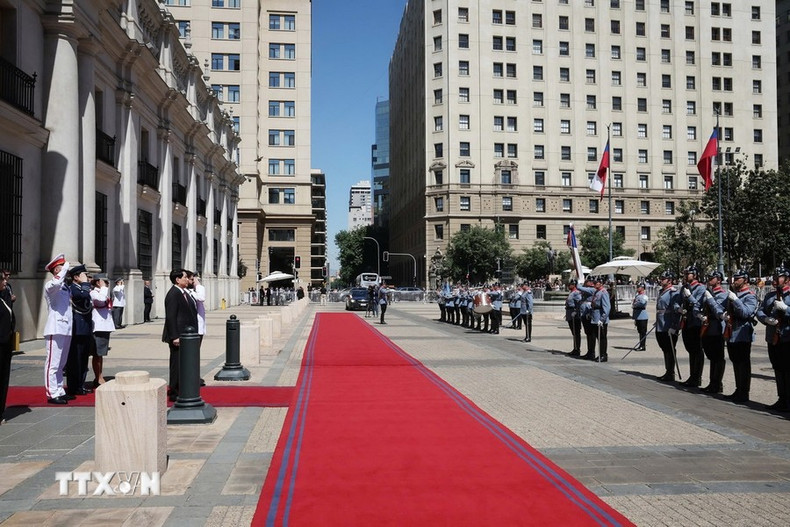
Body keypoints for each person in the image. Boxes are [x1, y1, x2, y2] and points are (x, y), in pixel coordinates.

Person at [756, 266, 790, 411]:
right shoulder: (770, 295)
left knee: (788, 370)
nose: (775, 280)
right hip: (773, 337)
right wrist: (766, 319)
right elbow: (760, 311)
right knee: (778, 369)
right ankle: (781, 398)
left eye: (779, 277)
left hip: (787, 337)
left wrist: (786, 309)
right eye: (774, 277)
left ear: (787, 278)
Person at [162, 269, 198, 401]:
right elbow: (170, 317)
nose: (187, 279)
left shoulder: (183, 292)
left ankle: (182, 387)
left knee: (183, 362)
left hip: (186, 335)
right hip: (178, 336)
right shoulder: (173, 294)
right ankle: (174, 390)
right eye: (184, 277)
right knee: (176, 363)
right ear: (177, 279)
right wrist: (174, 336)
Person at [724, 269, 758, 403]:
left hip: (742, 333)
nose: (735, 281)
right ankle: (738, 390)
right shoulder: (734, 293)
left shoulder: (749, 295)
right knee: (735, 362)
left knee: (743, 364)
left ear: (745, 280)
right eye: (735, 278)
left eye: (738, 279)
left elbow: (746, 313)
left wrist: (736, 300)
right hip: (732, 332)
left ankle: (744, 393)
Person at [43, 253, 73, 404]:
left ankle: (59, 390)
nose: (66, 270)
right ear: (56, 270)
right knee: (52, 363)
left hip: (66, 328)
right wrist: (65, 268)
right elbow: (55, 283)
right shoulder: (50, 286)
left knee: (61, 363)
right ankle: (52, 393)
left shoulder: (65, 287)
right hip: (55, 328)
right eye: (62, 267)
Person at [65, 265, 93, 396]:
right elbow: (83, 297)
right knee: (75, 360)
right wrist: (86, 284)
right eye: (83, 275)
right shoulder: (73, 289)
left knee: (83, 359)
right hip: (77, 329)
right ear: (76, 277)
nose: (86, 277)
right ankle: (73, 386)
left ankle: (80, 385)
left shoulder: (83, 289)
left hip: (85, 328)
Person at [700, 270, 728, 394]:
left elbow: (719, 310)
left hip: (717, 327)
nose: (710, 279)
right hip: (707, 326)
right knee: (711, 356)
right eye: (709, 277)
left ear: (719, 280)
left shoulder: (722, 294)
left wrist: (710, 299)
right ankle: (712, 382)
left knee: (718, 357)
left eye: (712, 277)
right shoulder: (708, 292)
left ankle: (717, 384)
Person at [679, 266, 706, 387]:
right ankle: (692, 376)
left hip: (696, 322)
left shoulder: (700, 288)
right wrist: (679, 308)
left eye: (688, 274)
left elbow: (698, 304)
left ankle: (697, 377)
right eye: (685, 274)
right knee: (690, 350)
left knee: (697, 350)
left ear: (694, 275)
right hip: (686, 320)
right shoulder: (684, 287)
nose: (686, 276)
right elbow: (678, 301)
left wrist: (690, 296)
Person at [655, 271, 681, 382]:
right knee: (664, 348)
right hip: (660, 324)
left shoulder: (673, 293)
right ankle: (667, 370)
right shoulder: (662, 291)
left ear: (669, 280)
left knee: (669, 349)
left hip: (668, 324)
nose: (661, 280)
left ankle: (670, 372)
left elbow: (676, 310)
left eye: (663, 279)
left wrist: (674, 325)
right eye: (661, 278)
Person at [90, 274, 114, 387]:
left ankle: (99, 375)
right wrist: (104, 288)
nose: (106, 284)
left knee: (101, 354)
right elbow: (101, 300)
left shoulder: (103, 292)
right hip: (98, 326)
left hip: (105, 326)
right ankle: (98, 377)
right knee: (97, 353)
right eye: (103, 281)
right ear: (98, 282)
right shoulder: (94, 292)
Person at [0, 273, 16, 424]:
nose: (6, 282)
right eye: (2, 279)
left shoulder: (4, 294)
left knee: (4, 377)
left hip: (6, 343)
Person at [588, 276, 611, 362]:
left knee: (602, 337)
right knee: (595, 336)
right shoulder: (597, 292)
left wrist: (602, 319)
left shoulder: (604, 293)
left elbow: (607, 307)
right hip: (595, 317)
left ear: (600, 283)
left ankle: (603, 355)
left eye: (596, 283)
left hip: (600, 318)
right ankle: (599, 354)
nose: (594, 284)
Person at [578, 276, 597, 360]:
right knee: (588, 334)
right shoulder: (587, 289)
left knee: (591, 334)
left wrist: (579, 281)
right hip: (584, 314)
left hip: (588, 314)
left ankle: (591, 352)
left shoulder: (592, 289)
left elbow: (578, 287)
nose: (586, 283)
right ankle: (589, 351)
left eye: (587, 281)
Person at [565, 279, 583, 356]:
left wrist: (576, 311)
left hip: (574, 315)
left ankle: (577, 349)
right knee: (574, 333)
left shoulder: (576, 293)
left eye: (570, 284)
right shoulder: (572, 293)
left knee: (576, 332)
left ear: (574, 285)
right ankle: (575, 348)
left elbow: (579, 302)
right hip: (570, 313)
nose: (568, 286)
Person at [631, 283, 649, 351]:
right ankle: (641, 344)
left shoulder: (644, 296)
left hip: (642, 316)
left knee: (643, 332)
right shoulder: (637, 296)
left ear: (642, 288)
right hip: (638, 316)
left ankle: (643, 346)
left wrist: (635, 303)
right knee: (640, 331)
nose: (637, 288)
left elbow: (642, 302)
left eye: (639, 287)